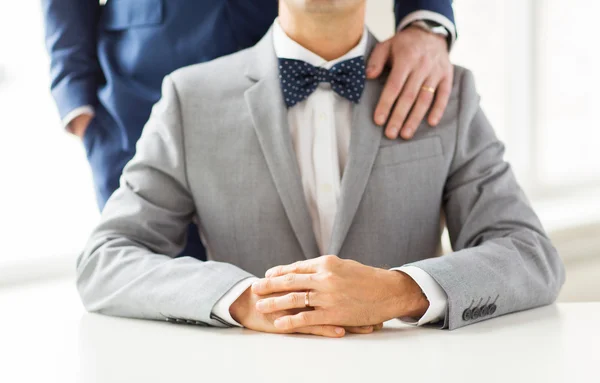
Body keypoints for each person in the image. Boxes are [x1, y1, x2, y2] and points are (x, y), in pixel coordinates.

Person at [76, 0, 565, 337]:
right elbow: (106, 259)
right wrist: (245, 300)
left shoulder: (444, 93)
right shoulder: (190, 99)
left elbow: (531, 255)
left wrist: (401, 292)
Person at [42, 1, 455, 260]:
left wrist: (425, 21)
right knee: (157, 299)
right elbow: (115, 266)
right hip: (140, 85)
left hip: (291, 42)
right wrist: (74, 93)